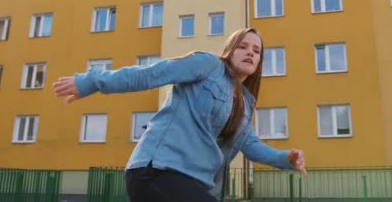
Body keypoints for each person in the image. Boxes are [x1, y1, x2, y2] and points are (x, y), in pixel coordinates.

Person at [53, 28, 306, 201]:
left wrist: (286, 159)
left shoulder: (245, 103)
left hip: (194, 182)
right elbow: (152, 74)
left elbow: (250, 144)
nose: (250, 52)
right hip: (158, 170)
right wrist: (93, 81)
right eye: (243, 46)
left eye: (256, 50)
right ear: (230, 50)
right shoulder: (208, 66)